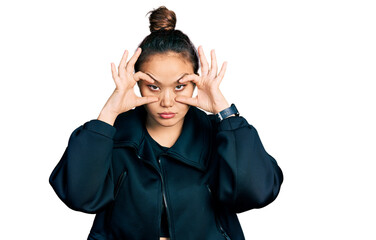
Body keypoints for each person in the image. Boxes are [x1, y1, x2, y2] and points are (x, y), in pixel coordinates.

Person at [49, 6, 284, 240]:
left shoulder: (219, 134)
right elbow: (78, 196)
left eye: (180, 86)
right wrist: (109, 113)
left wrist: (225, 112)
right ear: (137, 83)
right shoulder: (113, 136)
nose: (167, 101)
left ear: (195, 83)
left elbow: (258, 193)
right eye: (153, 86)